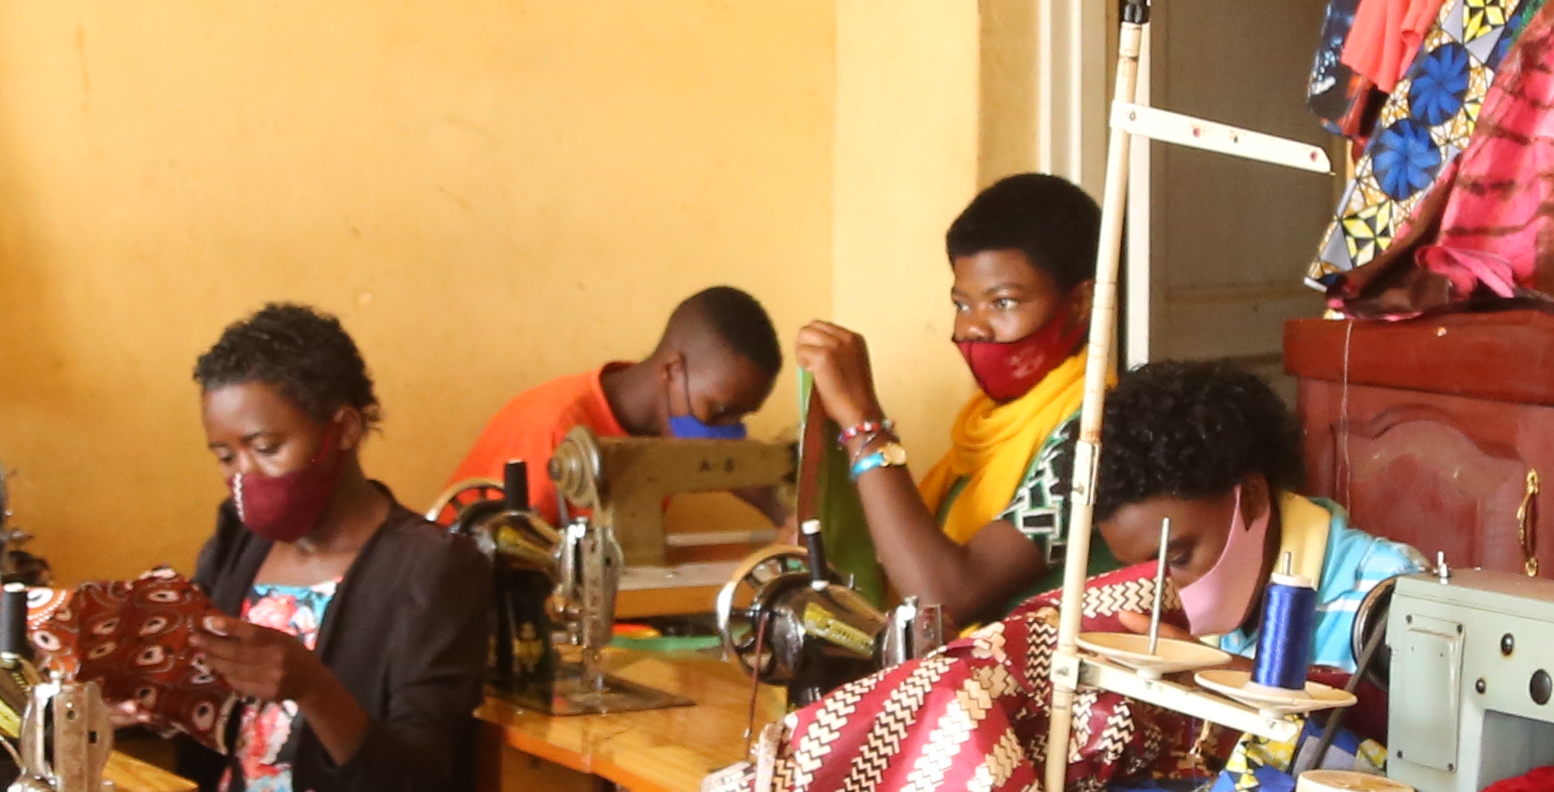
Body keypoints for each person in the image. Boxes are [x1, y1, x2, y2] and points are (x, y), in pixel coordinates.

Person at [189, 303, 497, 792]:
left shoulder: (433, 568)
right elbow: (202, 695)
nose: (245, 478)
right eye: (227, 458)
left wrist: (313, 688)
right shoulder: (238, 538)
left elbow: (415, 788)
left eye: (267, 447)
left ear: (346, 429)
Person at [791, 172, 1100, 641]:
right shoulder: (980, 431)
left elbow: (945, 595)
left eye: (1003, 302)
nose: (974, 328)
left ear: (1080, 303)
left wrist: (863, 423)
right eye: (963, 304)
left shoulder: (1096, 431)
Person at [1081, 359, 1416, 680]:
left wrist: (1218, 675)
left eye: (1179, 558)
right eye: (1136, 571)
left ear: (1253, 498)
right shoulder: (1185, 610)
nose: (1157, 590)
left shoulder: (1393, 599)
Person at [452, 287, 780, 518]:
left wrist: (782, 513)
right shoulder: (553, 428)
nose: (731, 432)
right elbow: (501, 569)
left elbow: (735, 467)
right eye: (721, 410)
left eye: (741, 417)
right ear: (672, 370)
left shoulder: (666, 433)